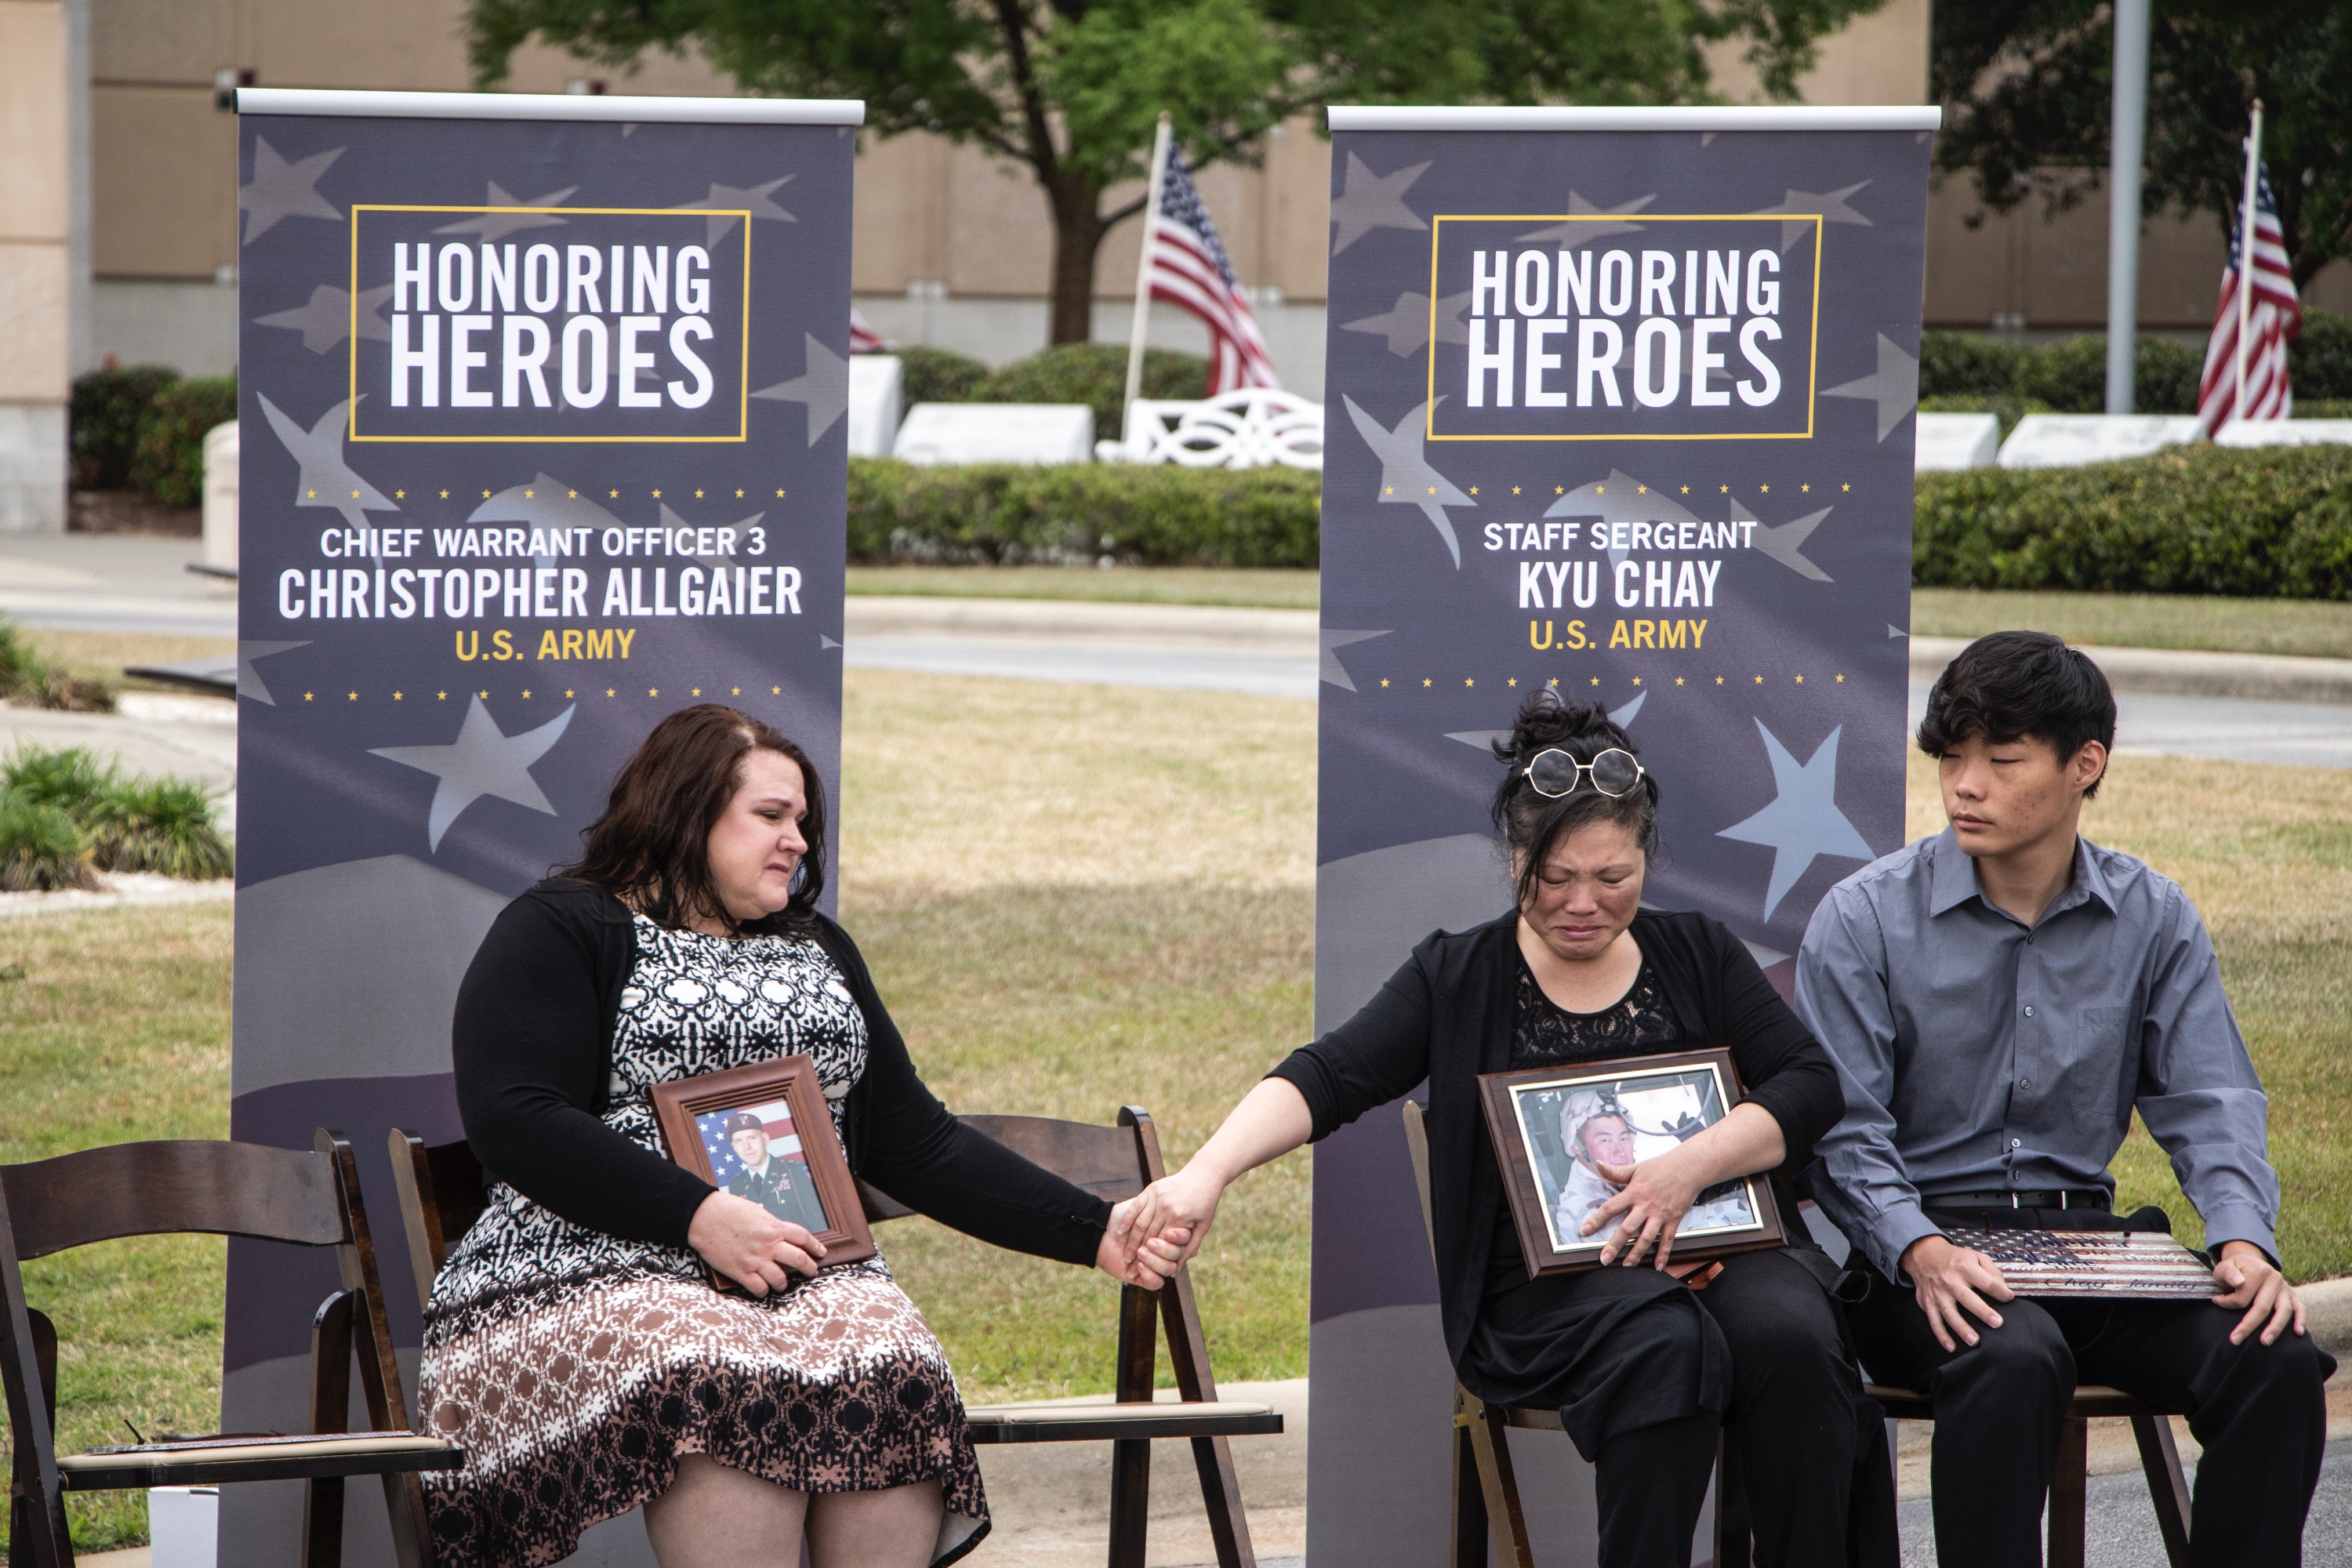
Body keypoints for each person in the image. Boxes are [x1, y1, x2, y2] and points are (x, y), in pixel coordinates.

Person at [1112, 692, 1893, 1568]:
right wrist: (1204, 1173)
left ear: (1648, 856)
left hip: (1716, 1247)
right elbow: (1328, 1075)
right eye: (1553, 877)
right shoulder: (1459, 974)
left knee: (1795, 1338)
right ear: (1513, 853)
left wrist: (1687, 1166)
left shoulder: (1697, 952)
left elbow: (1810, 1083)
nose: (1583, 904)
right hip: (1547, 1288)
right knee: (1662, 1337)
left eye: (1613, 877)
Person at [417, 705, 1185, 1568]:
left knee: (897, 1367)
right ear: (686, 806)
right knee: (713, 1367)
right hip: (588, 1263)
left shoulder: (817, 945)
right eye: (772, 815)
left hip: (799, 1271)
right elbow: (515, 1115)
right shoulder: (567, 924)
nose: (798, 842)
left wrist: (1095, 1233)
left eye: (804, 824)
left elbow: (915, 1142)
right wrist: (700, 1215)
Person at [1795, 631, 2336, 1568]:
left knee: (2276, 1361)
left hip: (2091, 1248)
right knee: (2012, 1354)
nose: (1966, 783)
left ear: (2086, 765)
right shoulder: (1864, 916)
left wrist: (2244, 1236)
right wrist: (1920, 1248)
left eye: (2000, 760)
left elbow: (2211, 1097)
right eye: (1952, 758)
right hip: (1916, 1260)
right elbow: (1844, 1134)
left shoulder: (2153, 914)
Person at [721, 1111, 826, 1233]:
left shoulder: (795, 1171)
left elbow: (819, 1223)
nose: (746, 1146)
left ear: (765, 1139)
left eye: (752, 1138)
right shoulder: (736, 1184)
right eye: (739, 1141)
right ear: (734, 1147)